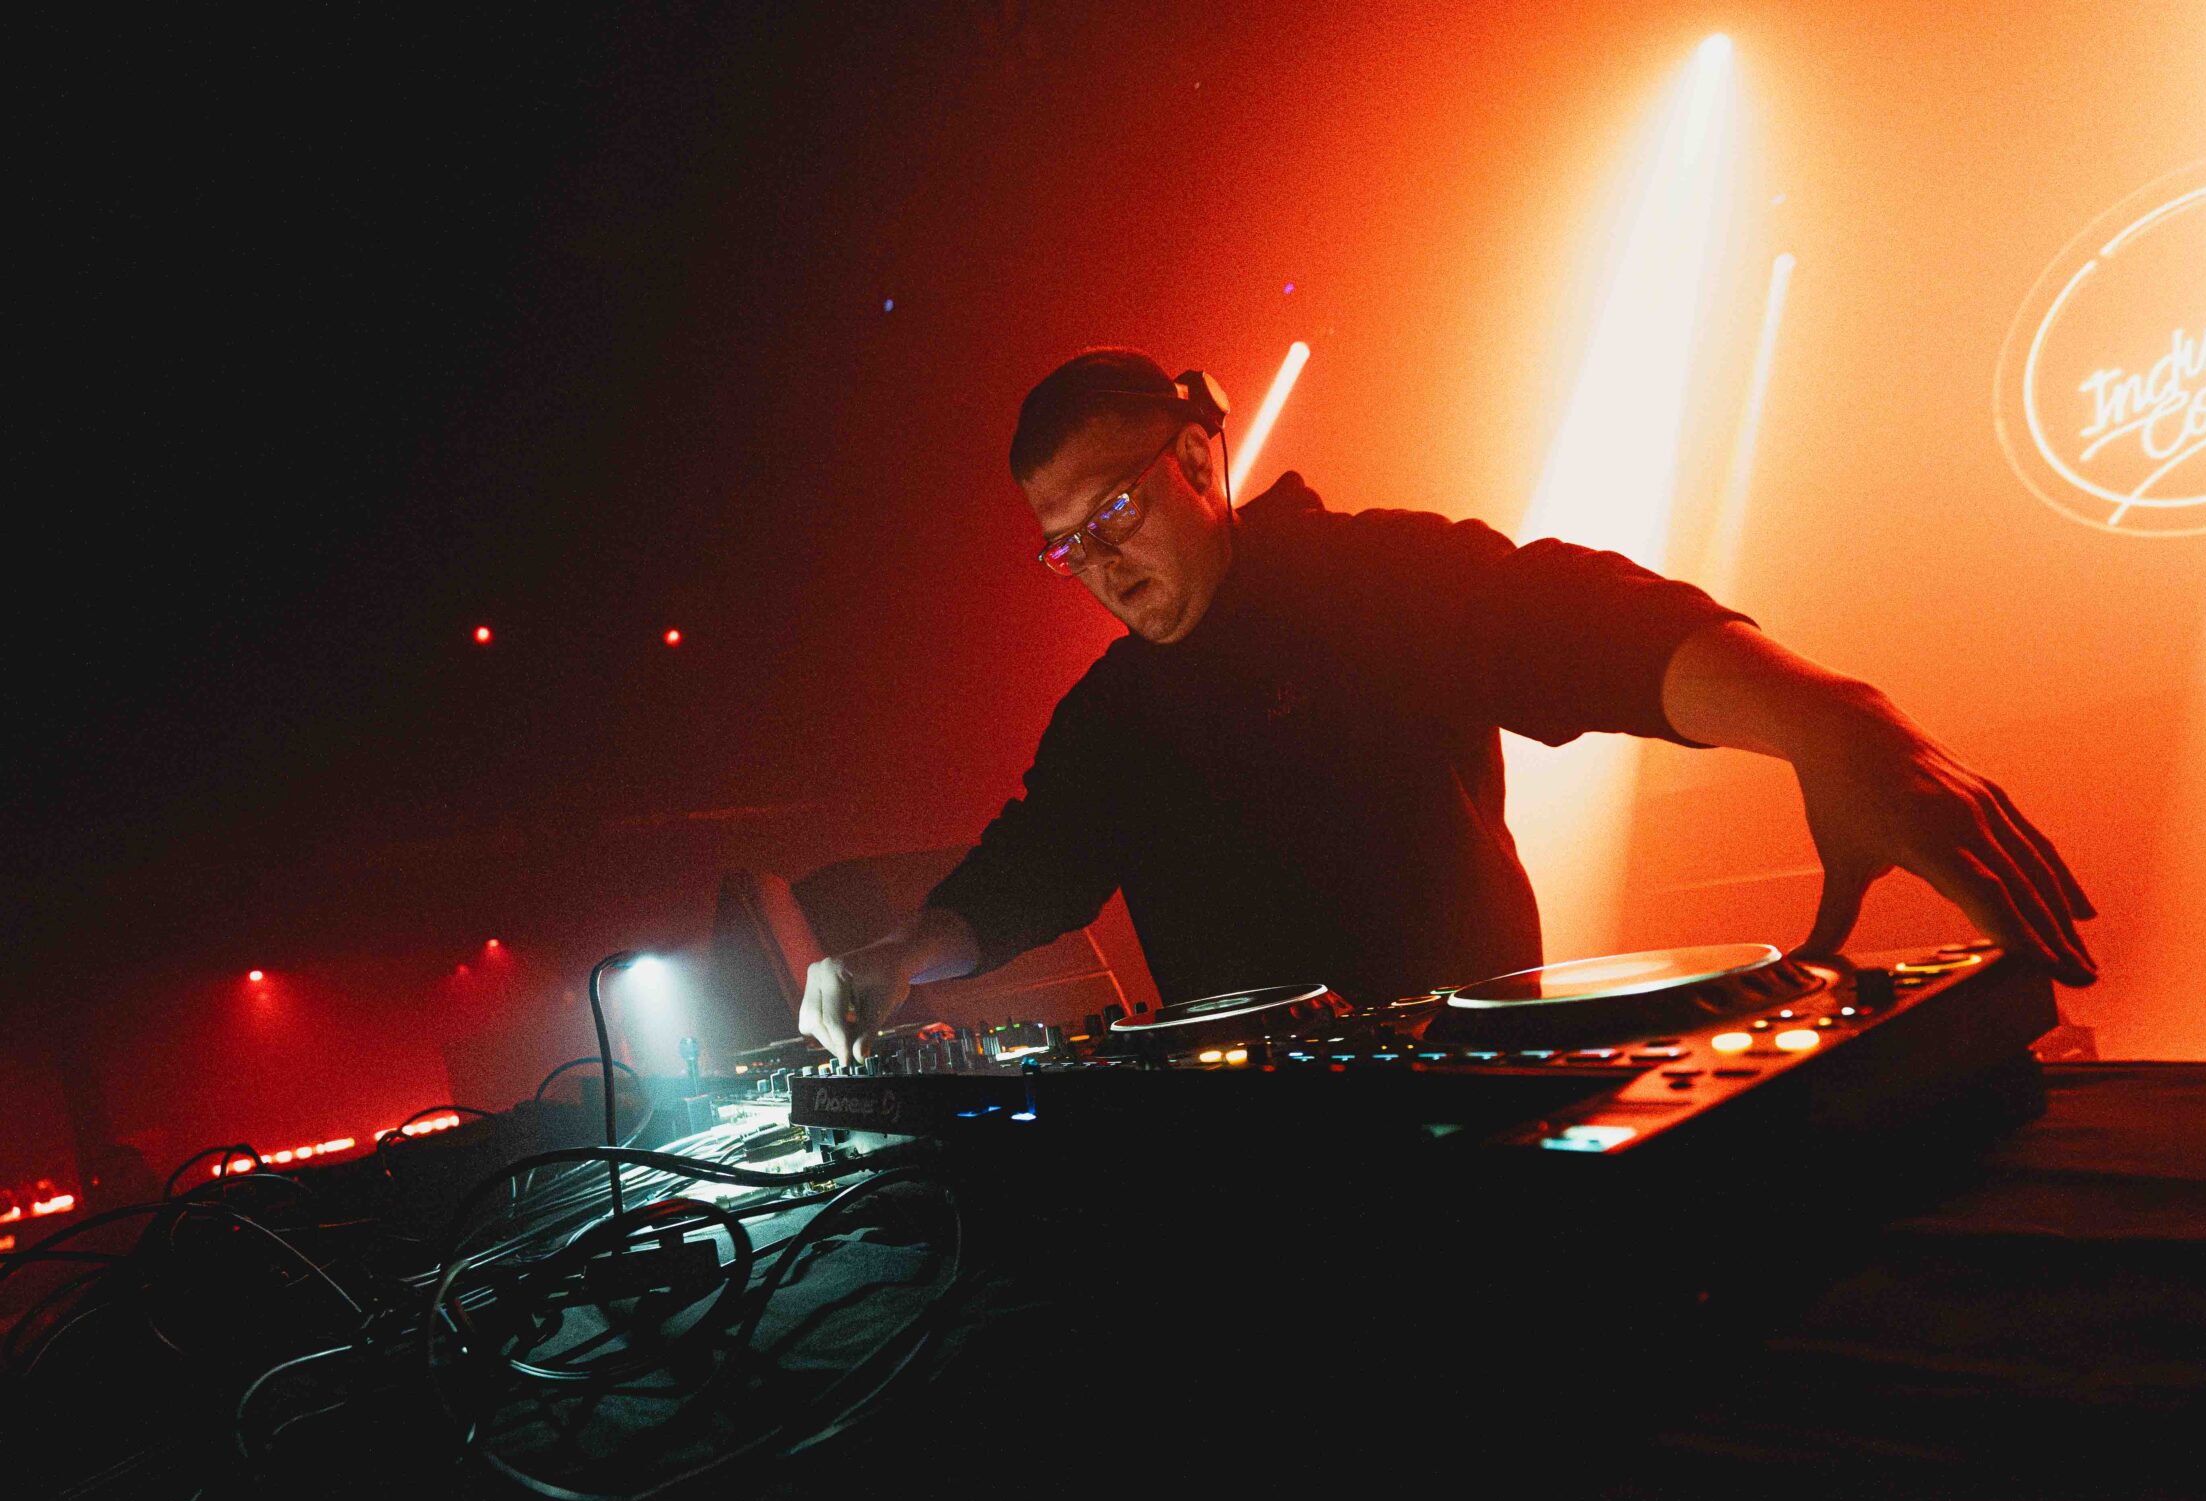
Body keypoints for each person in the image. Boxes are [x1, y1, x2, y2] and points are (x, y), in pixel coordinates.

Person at [800, 349, 2093, 1062]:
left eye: (1118, 512)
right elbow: (1035, 863)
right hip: (1253, 1161)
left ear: (1199, 459)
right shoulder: (1111, 717)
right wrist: (903, 954)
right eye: (1067, 545)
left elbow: (1572, 624)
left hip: (1487, 1098)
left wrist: (1834, 720)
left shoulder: (1372, 580)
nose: (1100, 564)